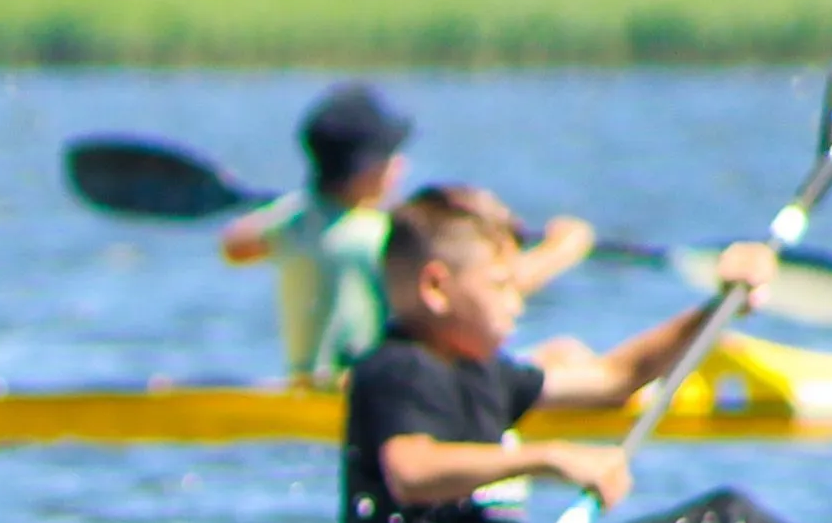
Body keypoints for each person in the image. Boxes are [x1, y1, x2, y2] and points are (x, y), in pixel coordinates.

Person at [339, 183, 832, 523]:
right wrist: (552, 458)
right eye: (501, 286)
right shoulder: (398, 368)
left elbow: (617, 379)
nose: (517, 303)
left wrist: (717, 309)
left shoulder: (484, 373)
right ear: (435, 288)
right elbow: (411, 471)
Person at [220, 83, 588, 386]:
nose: (402, 166)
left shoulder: (294, 221)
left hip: (307, 384)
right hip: (376, 387)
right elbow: (486, 288)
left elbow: (234, 246)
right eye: (393, 157)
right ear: (369, 171)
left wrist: (306, 206)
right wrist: (565, 247)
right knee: (566, 353)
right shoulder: (383, 236)